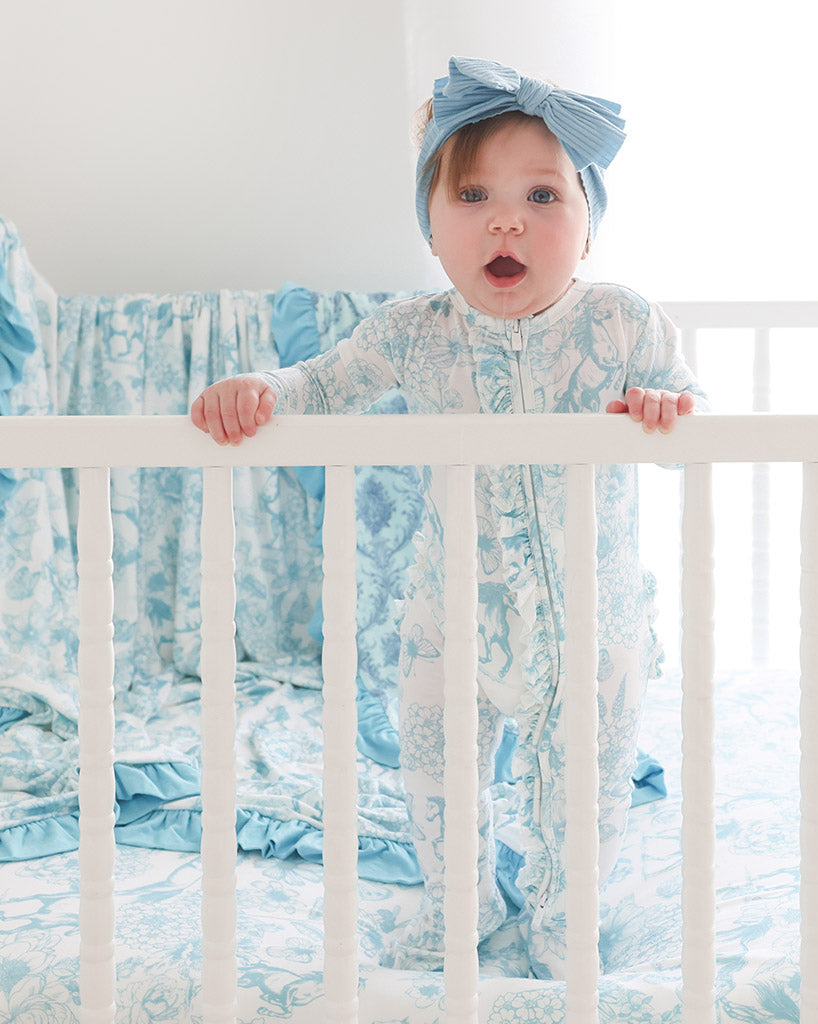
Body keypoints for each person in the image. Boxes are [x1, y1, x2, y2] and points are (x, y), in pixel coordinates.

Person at [191, 55, 707, 979]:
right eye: (472, 194)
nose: (507, 218)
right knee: (438, 781)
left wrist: (667, 409)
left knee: (580, 797)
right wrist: (262, 389)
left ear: (588, 232)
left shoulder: (622, 322)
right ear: (430, 228)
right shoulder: (411, 331)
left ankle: (563, 926)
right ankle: (453, 913)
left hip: (593, 626)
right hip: (450, 618)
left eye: (545, 196)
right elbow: (323, 383)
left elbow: (684, 396)